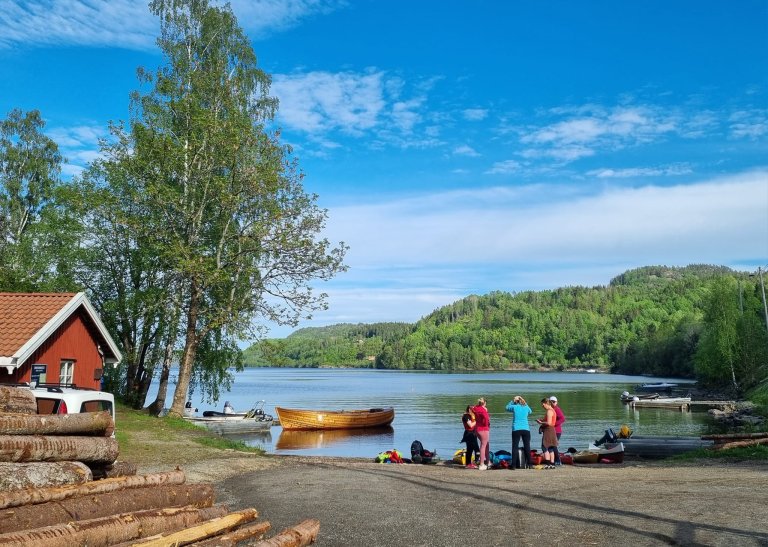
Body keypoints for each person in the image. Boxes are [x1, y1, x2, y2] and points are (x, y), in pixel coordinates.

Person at [505, 395, 532, 470]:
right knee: (527, 446)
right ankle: (530, 464)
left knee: (515, 447)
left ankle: (513, 465)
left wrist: (512, 401)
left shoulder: (514, 407)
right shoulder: (526, 407)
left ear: (516, 402)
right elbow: (530, 411)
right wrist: (525, 403)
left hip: (516, 429)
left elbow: (507, 407)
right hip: (526, 429)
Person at [536, 398, 558, 469]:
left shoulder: (549, 411)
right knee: (551, 448)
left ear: (546, 403)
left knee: (544, 447)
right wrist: (542, 420)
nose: (542, 406)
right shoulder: (553, 411)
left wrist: (541, 422)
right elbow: (550, 421)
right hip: (552, 430)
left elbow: (548, 423)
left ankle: (548, 464)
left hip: (548, 430)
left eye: (543, 404)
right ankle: (552, 464)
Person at [472, 397, 491, 470]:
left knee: (486, 445)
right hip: (483, 429)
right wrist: (486, 424)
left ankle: (488, 462)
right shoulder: (483, 410)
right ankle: (482, 464)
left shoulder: (476, 408)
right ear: (484, 403)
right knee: (483, 446)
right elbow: (486, 419)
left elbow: (472, 408)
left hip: (477, 429)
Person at [549, 395, 566, 465]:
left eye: (554, 402)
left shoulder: (556, 409)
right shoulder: (550, 409)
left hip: (557, 431)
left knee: (553, 445)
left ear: (556, 402)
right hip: (552, 430)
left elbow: (563, 418)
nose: (553, 403)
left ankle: (558, 460)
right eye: (551, 402)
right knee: (552, 445)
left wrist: (554, 424)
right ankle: (554, 460)